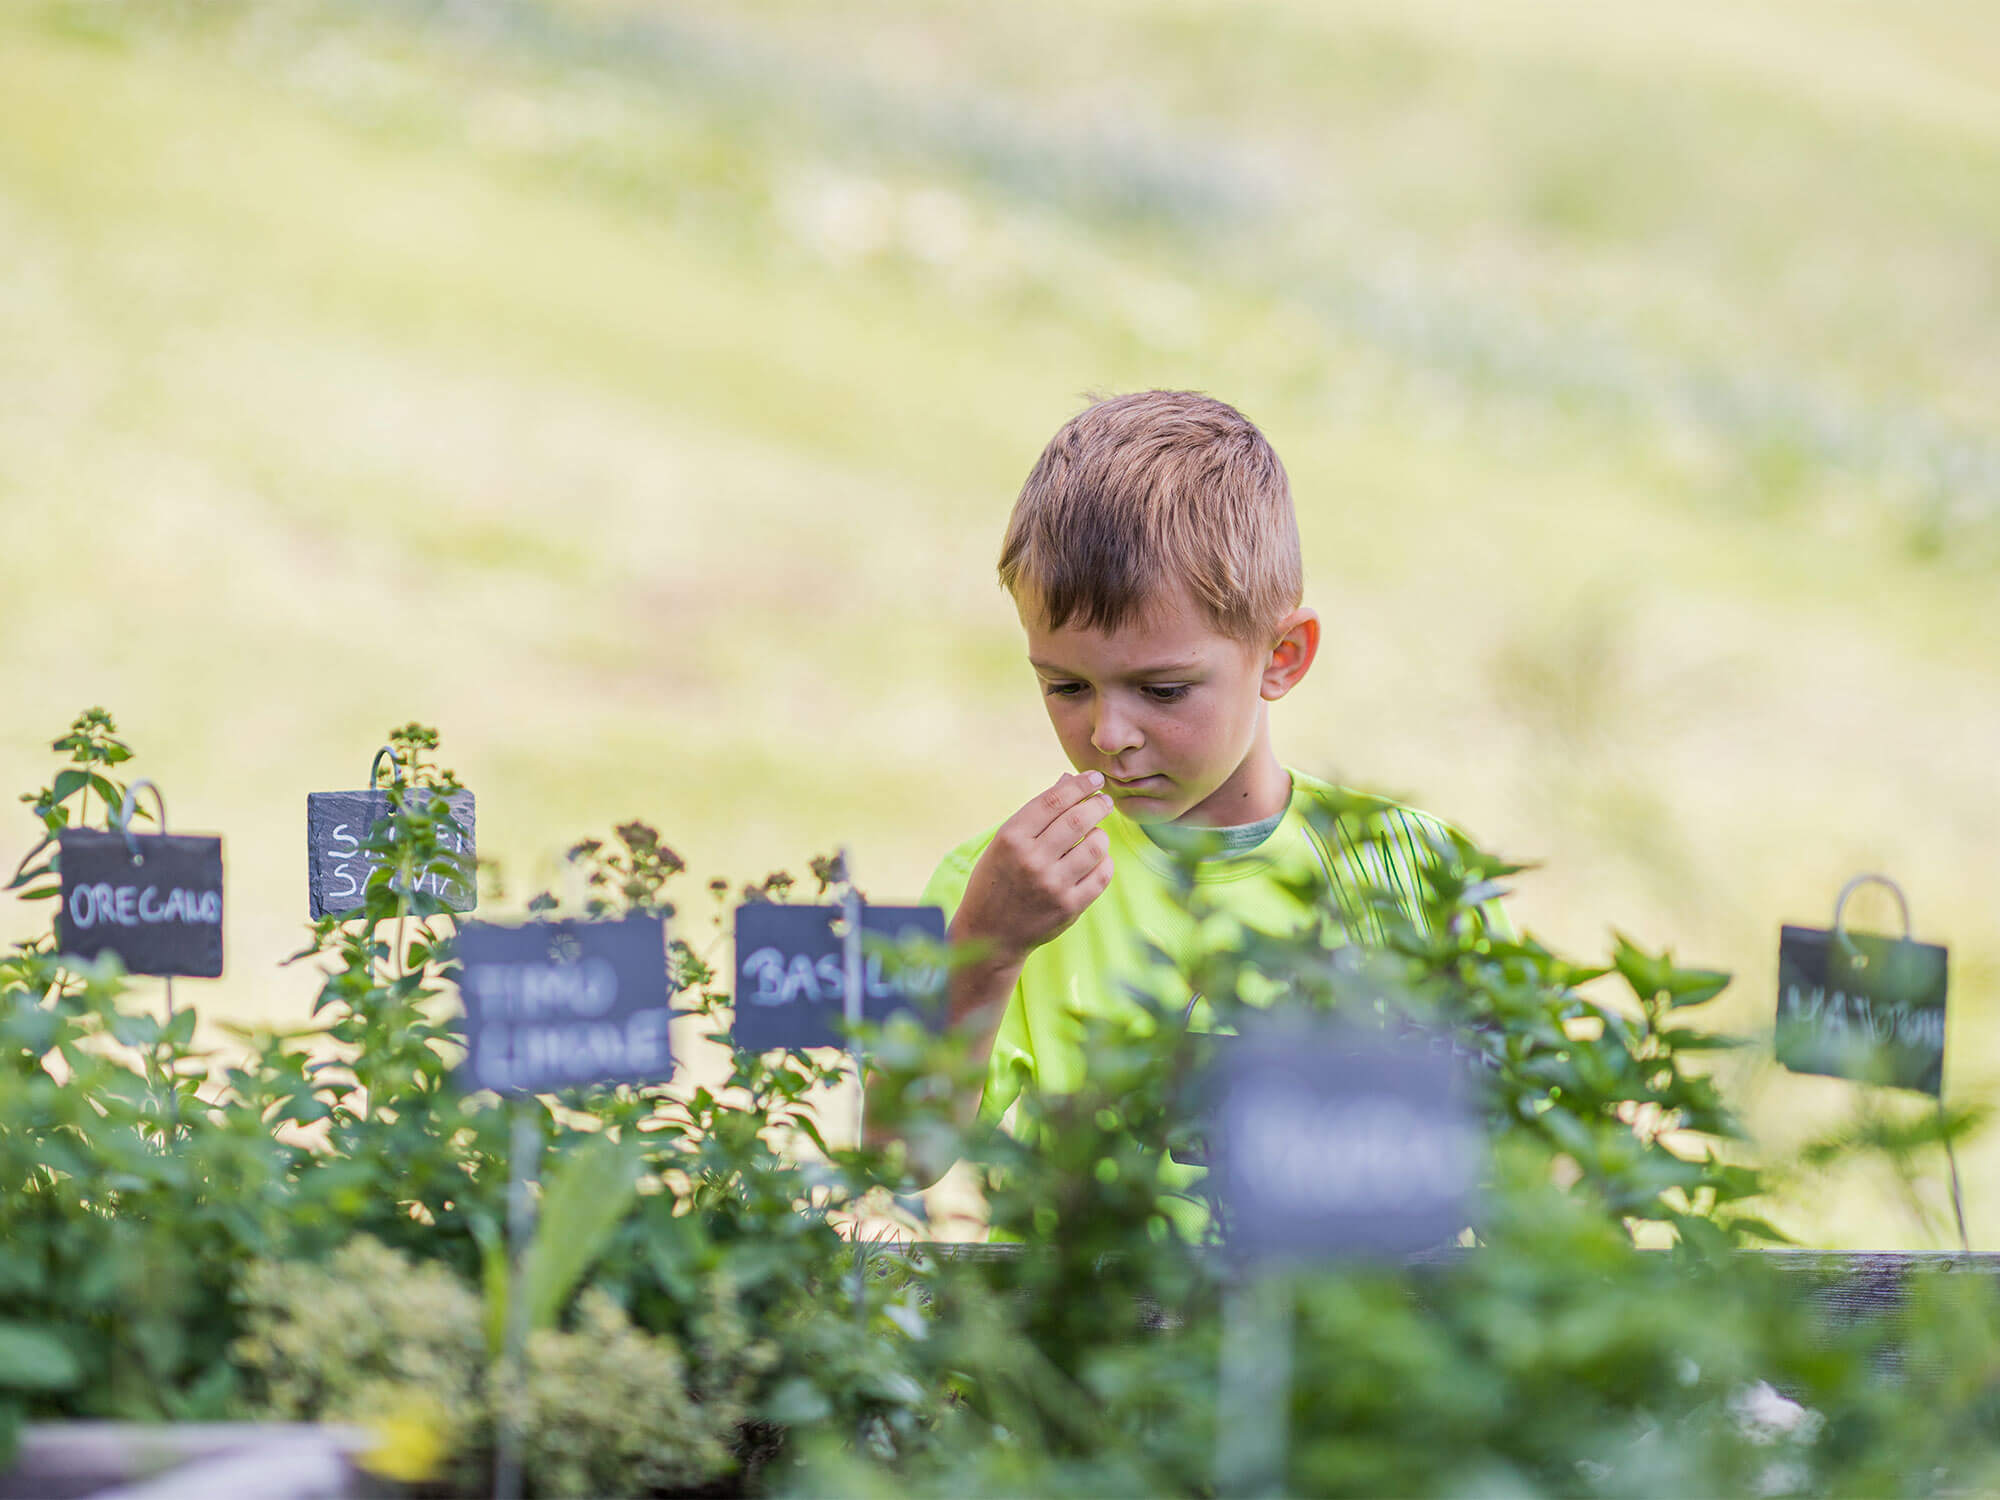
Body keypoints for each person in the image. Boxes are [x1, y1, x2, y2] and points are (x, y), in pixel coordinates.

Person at [921, 389, 1488, 1131]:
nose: (1109, 733)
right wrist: (985, 953)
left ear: (1281, 657)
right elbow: (902, 1158)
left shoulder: (1413, 872)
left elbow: (1523, 1160)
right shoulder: (998, 889)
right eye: (1065, 685)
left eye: (1162, 689)